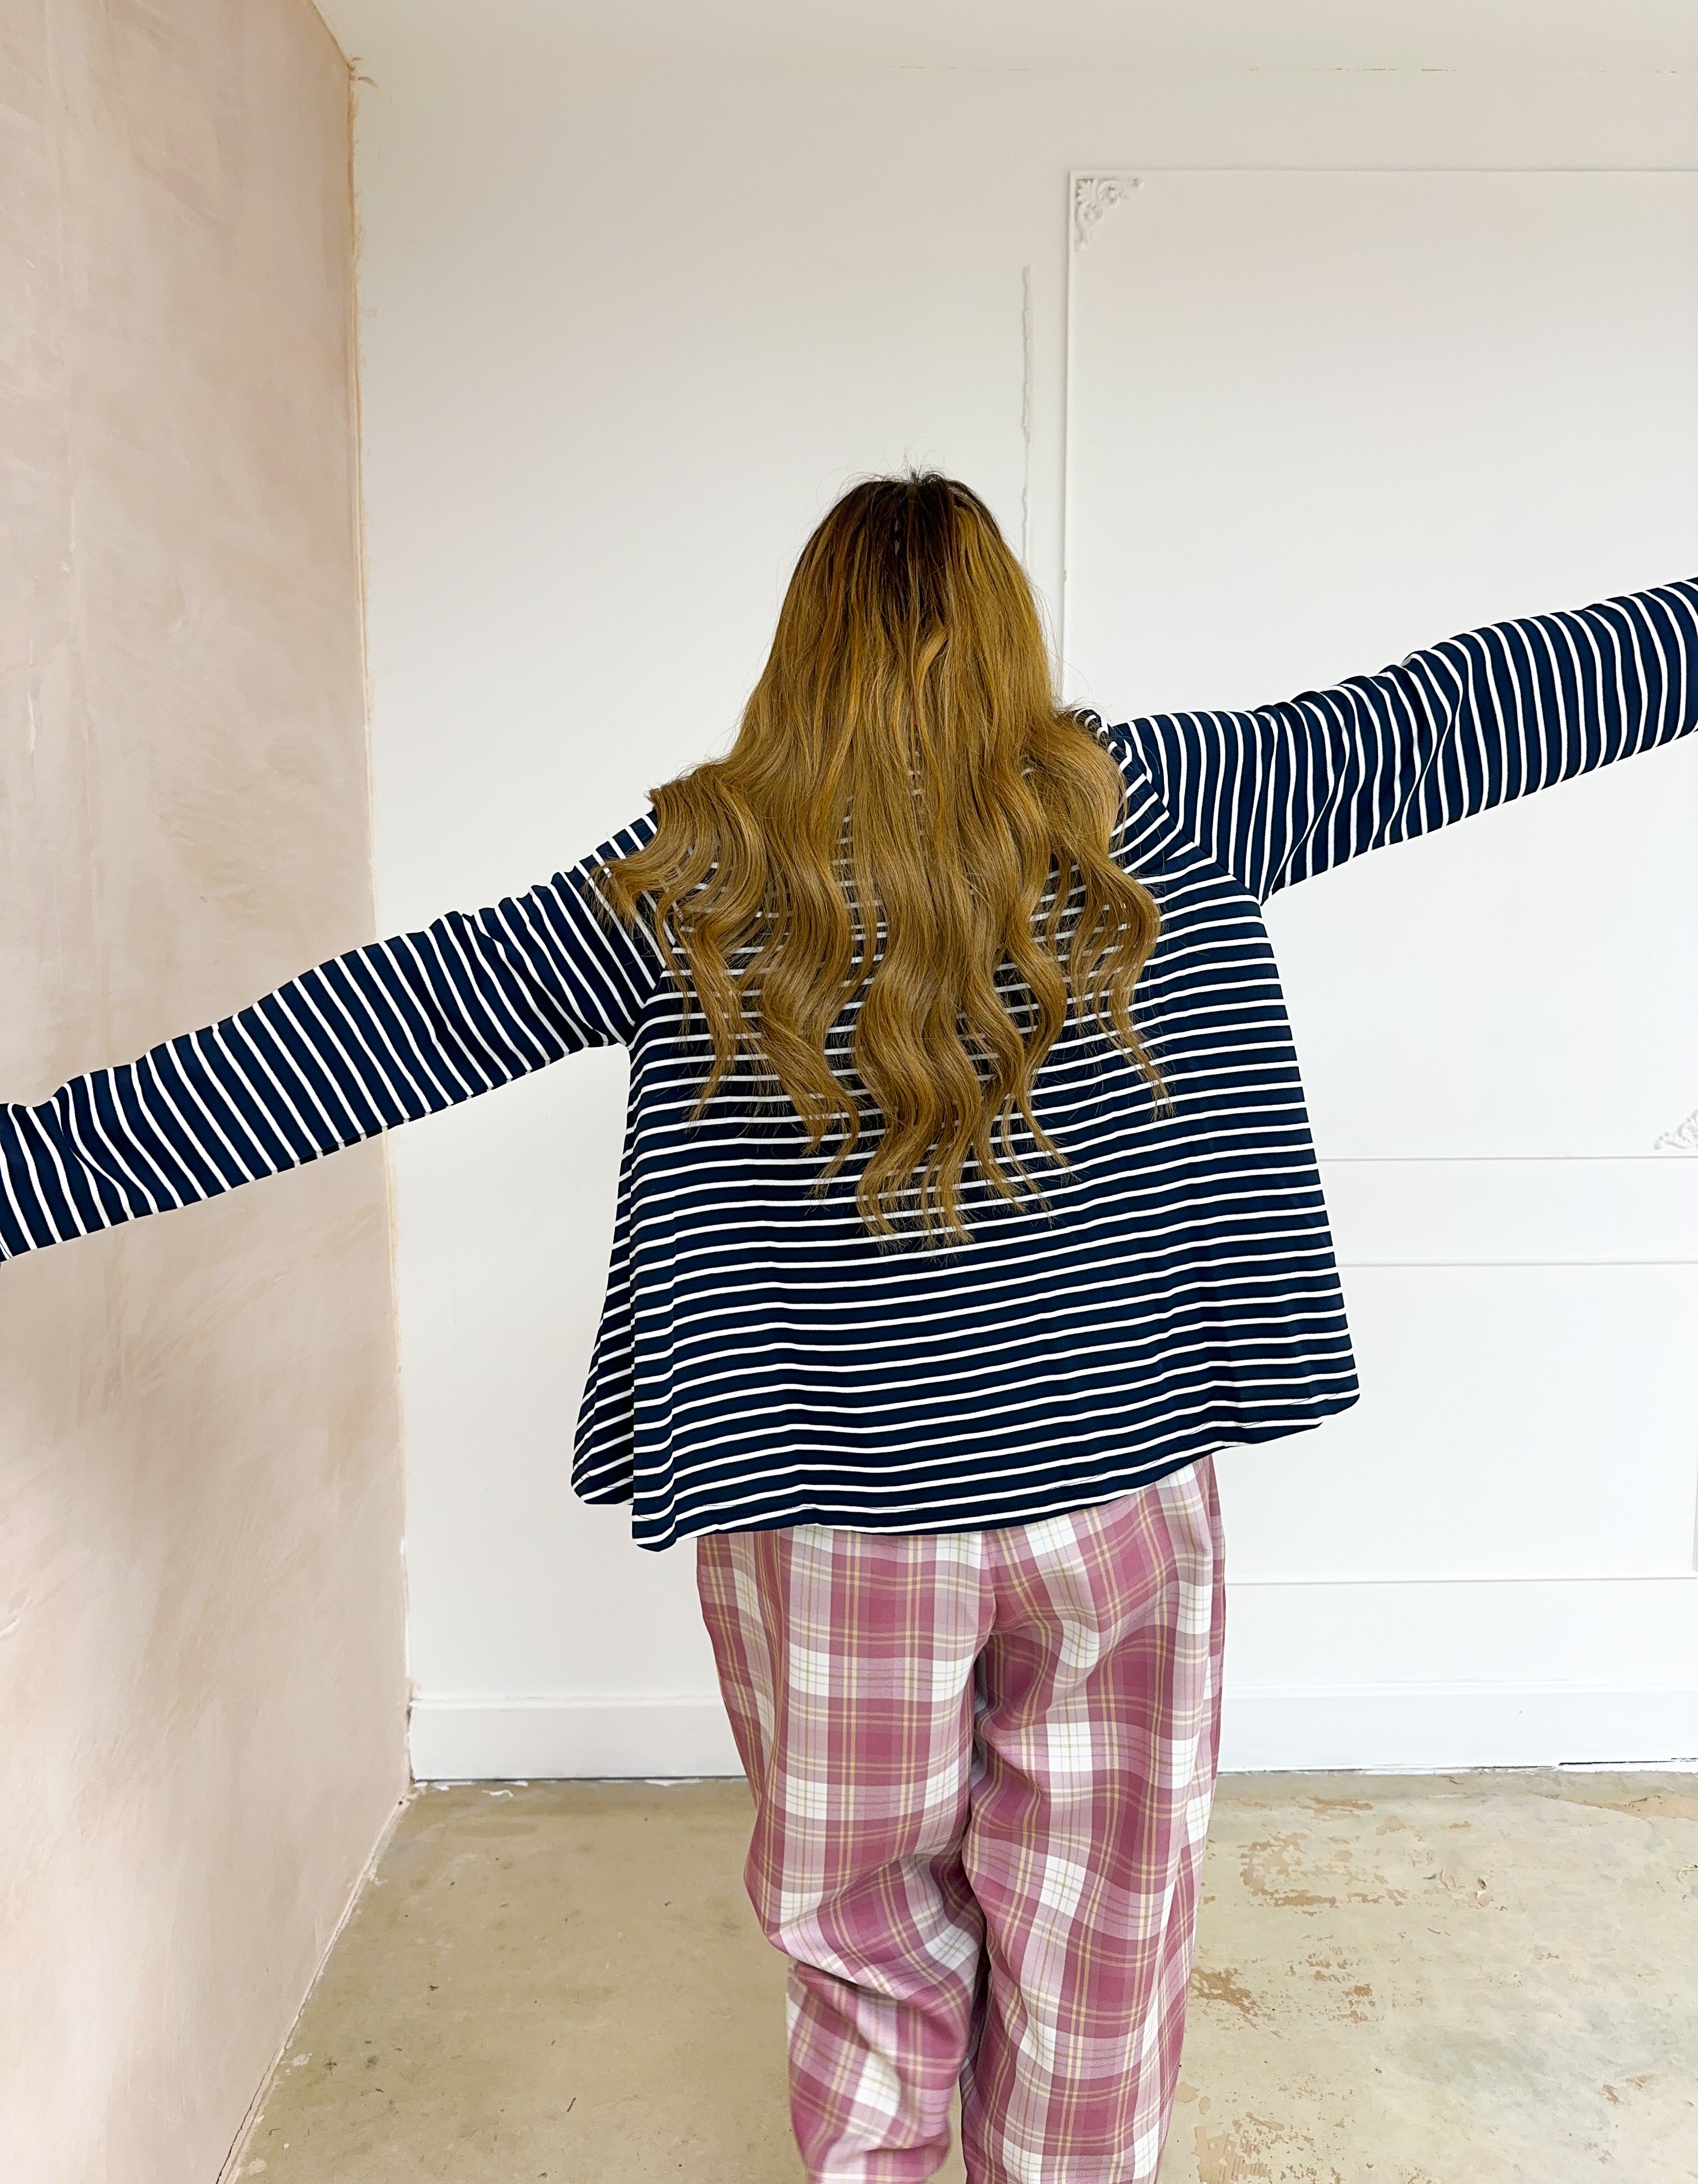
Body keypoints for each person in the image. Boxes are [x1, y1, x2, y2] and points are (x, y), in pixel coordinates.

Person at [3, 472, 1694, 2181]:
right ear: (1014, 645)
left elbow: (357, 1037)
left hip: (823, 1527)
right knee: (1106, 1924)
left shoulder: (695, 880)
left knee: (862, 1944)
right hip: (1115, 1502)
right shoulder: (1165, 803)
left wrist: (20, 1179)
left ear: (798, 656)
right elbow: (1487, 704)